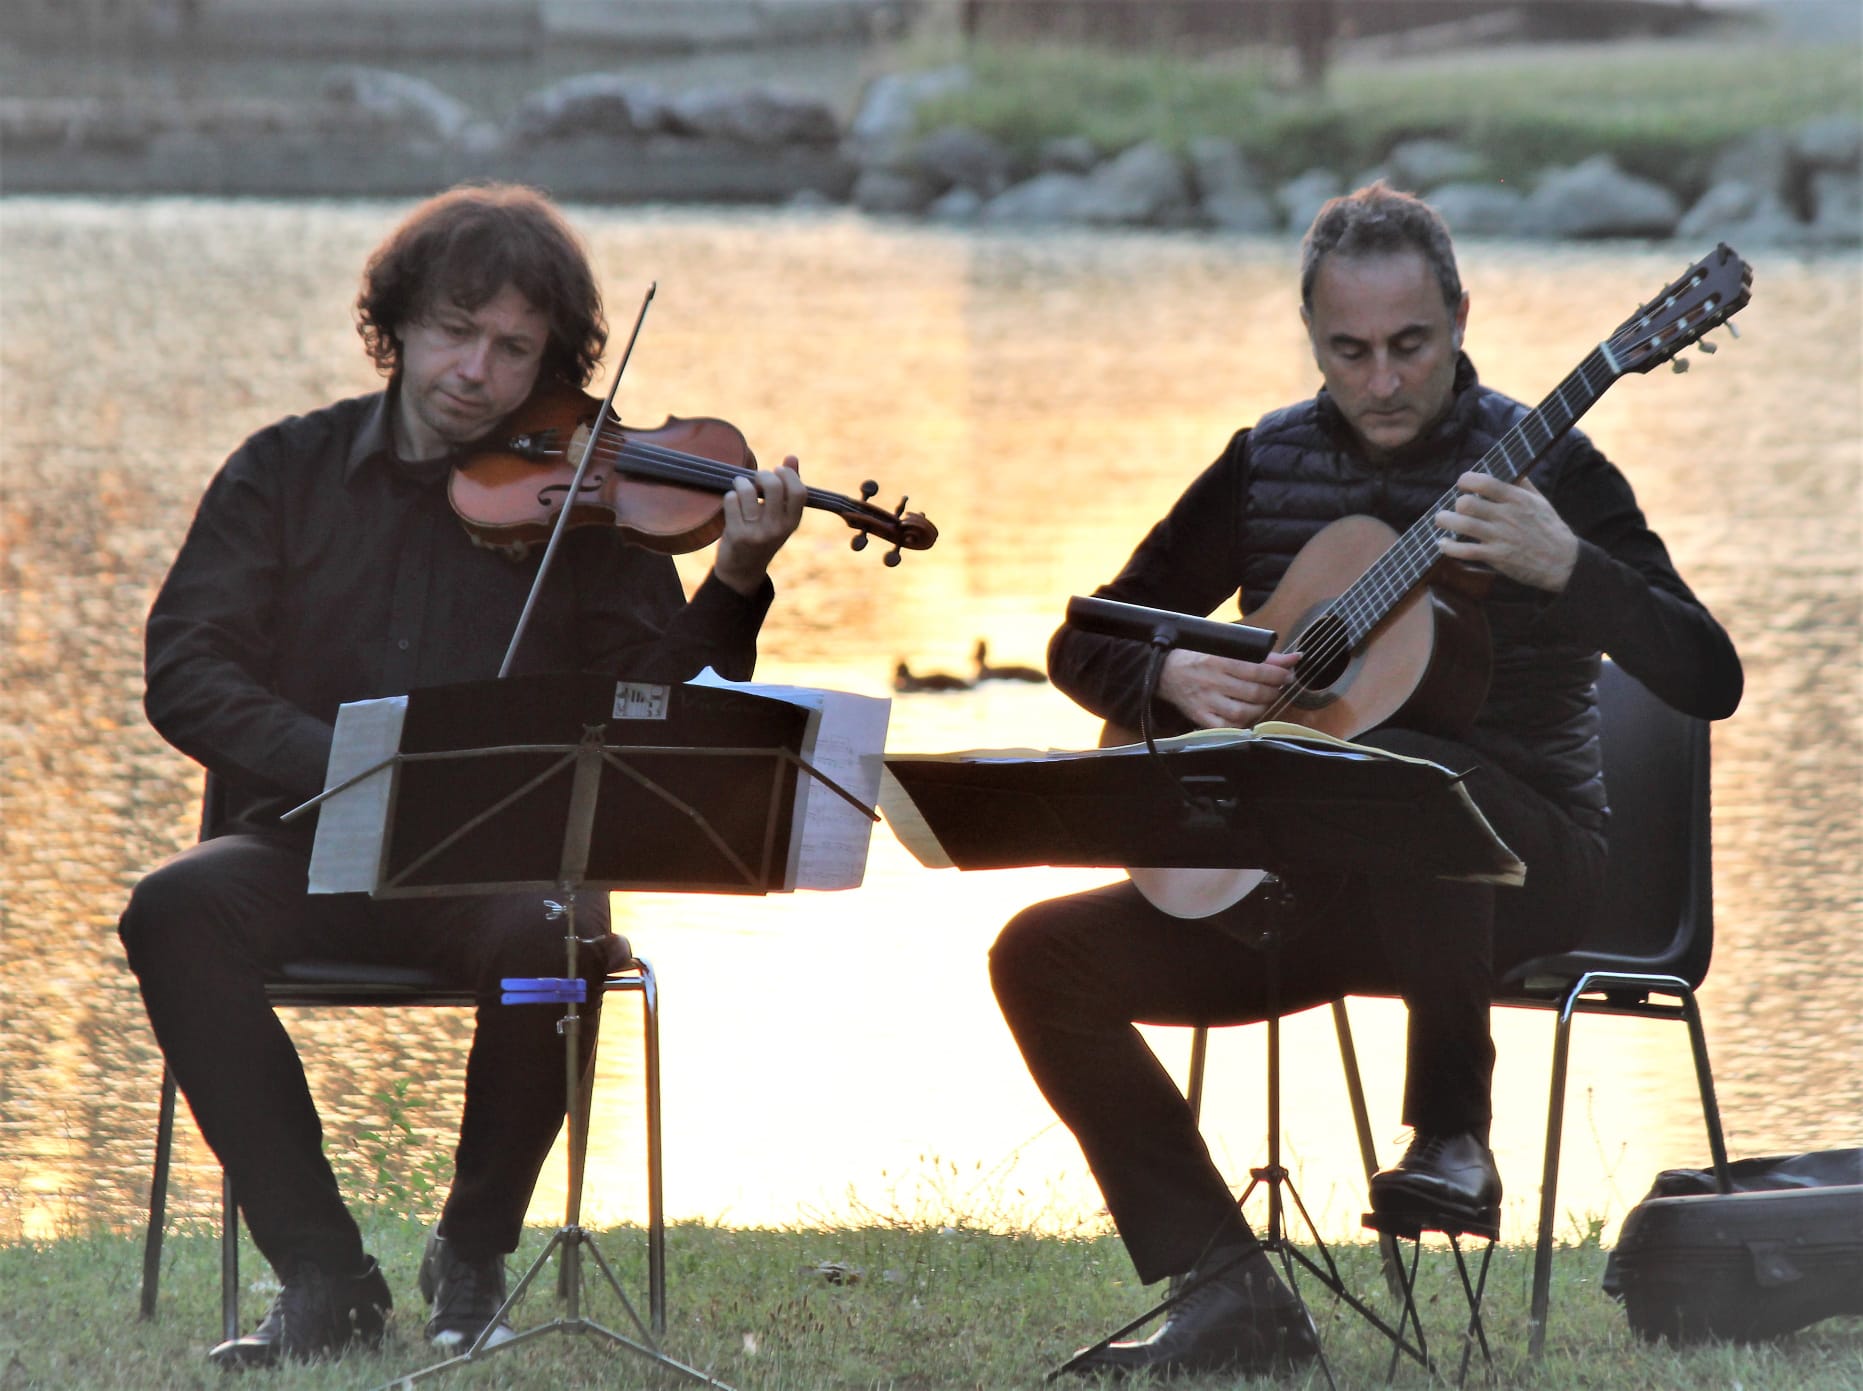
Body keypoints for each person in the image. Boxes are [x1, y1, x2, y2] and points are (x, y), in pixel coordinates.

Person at [990, 182, 1743, 1379]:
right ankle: (1229, 1288)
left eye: (1410, 346)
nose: (1383, 380)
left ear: (1458, 318)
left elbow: (1709, 673)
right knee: (1040, 954)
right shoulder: (1263, 464)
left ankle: (1452, 1133)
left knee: (1407, 776)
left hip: (1524, 868)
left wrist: (1570, 566)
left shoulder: (1551, 466)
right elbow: (1083, 640)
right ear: (1313, 339)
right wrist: (1174, 674)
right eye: (1350, 351)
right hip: (1316, 882)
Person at [118, 183, 807, 1370]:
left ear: (550, 360)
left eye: (514, 347)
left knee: (557, 931)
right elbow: (188, 670)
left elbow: (657, 707)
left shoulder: (585, 505)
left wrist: (735, 580)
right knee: (171, 908)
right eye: (453, 329)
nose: (477, 370)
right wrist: (342, 762)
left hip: (497, 856)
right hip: (303, 837)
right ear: (396, 323)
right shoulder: (283, 472)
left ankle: (473, 1247)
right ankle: (323, 1273)